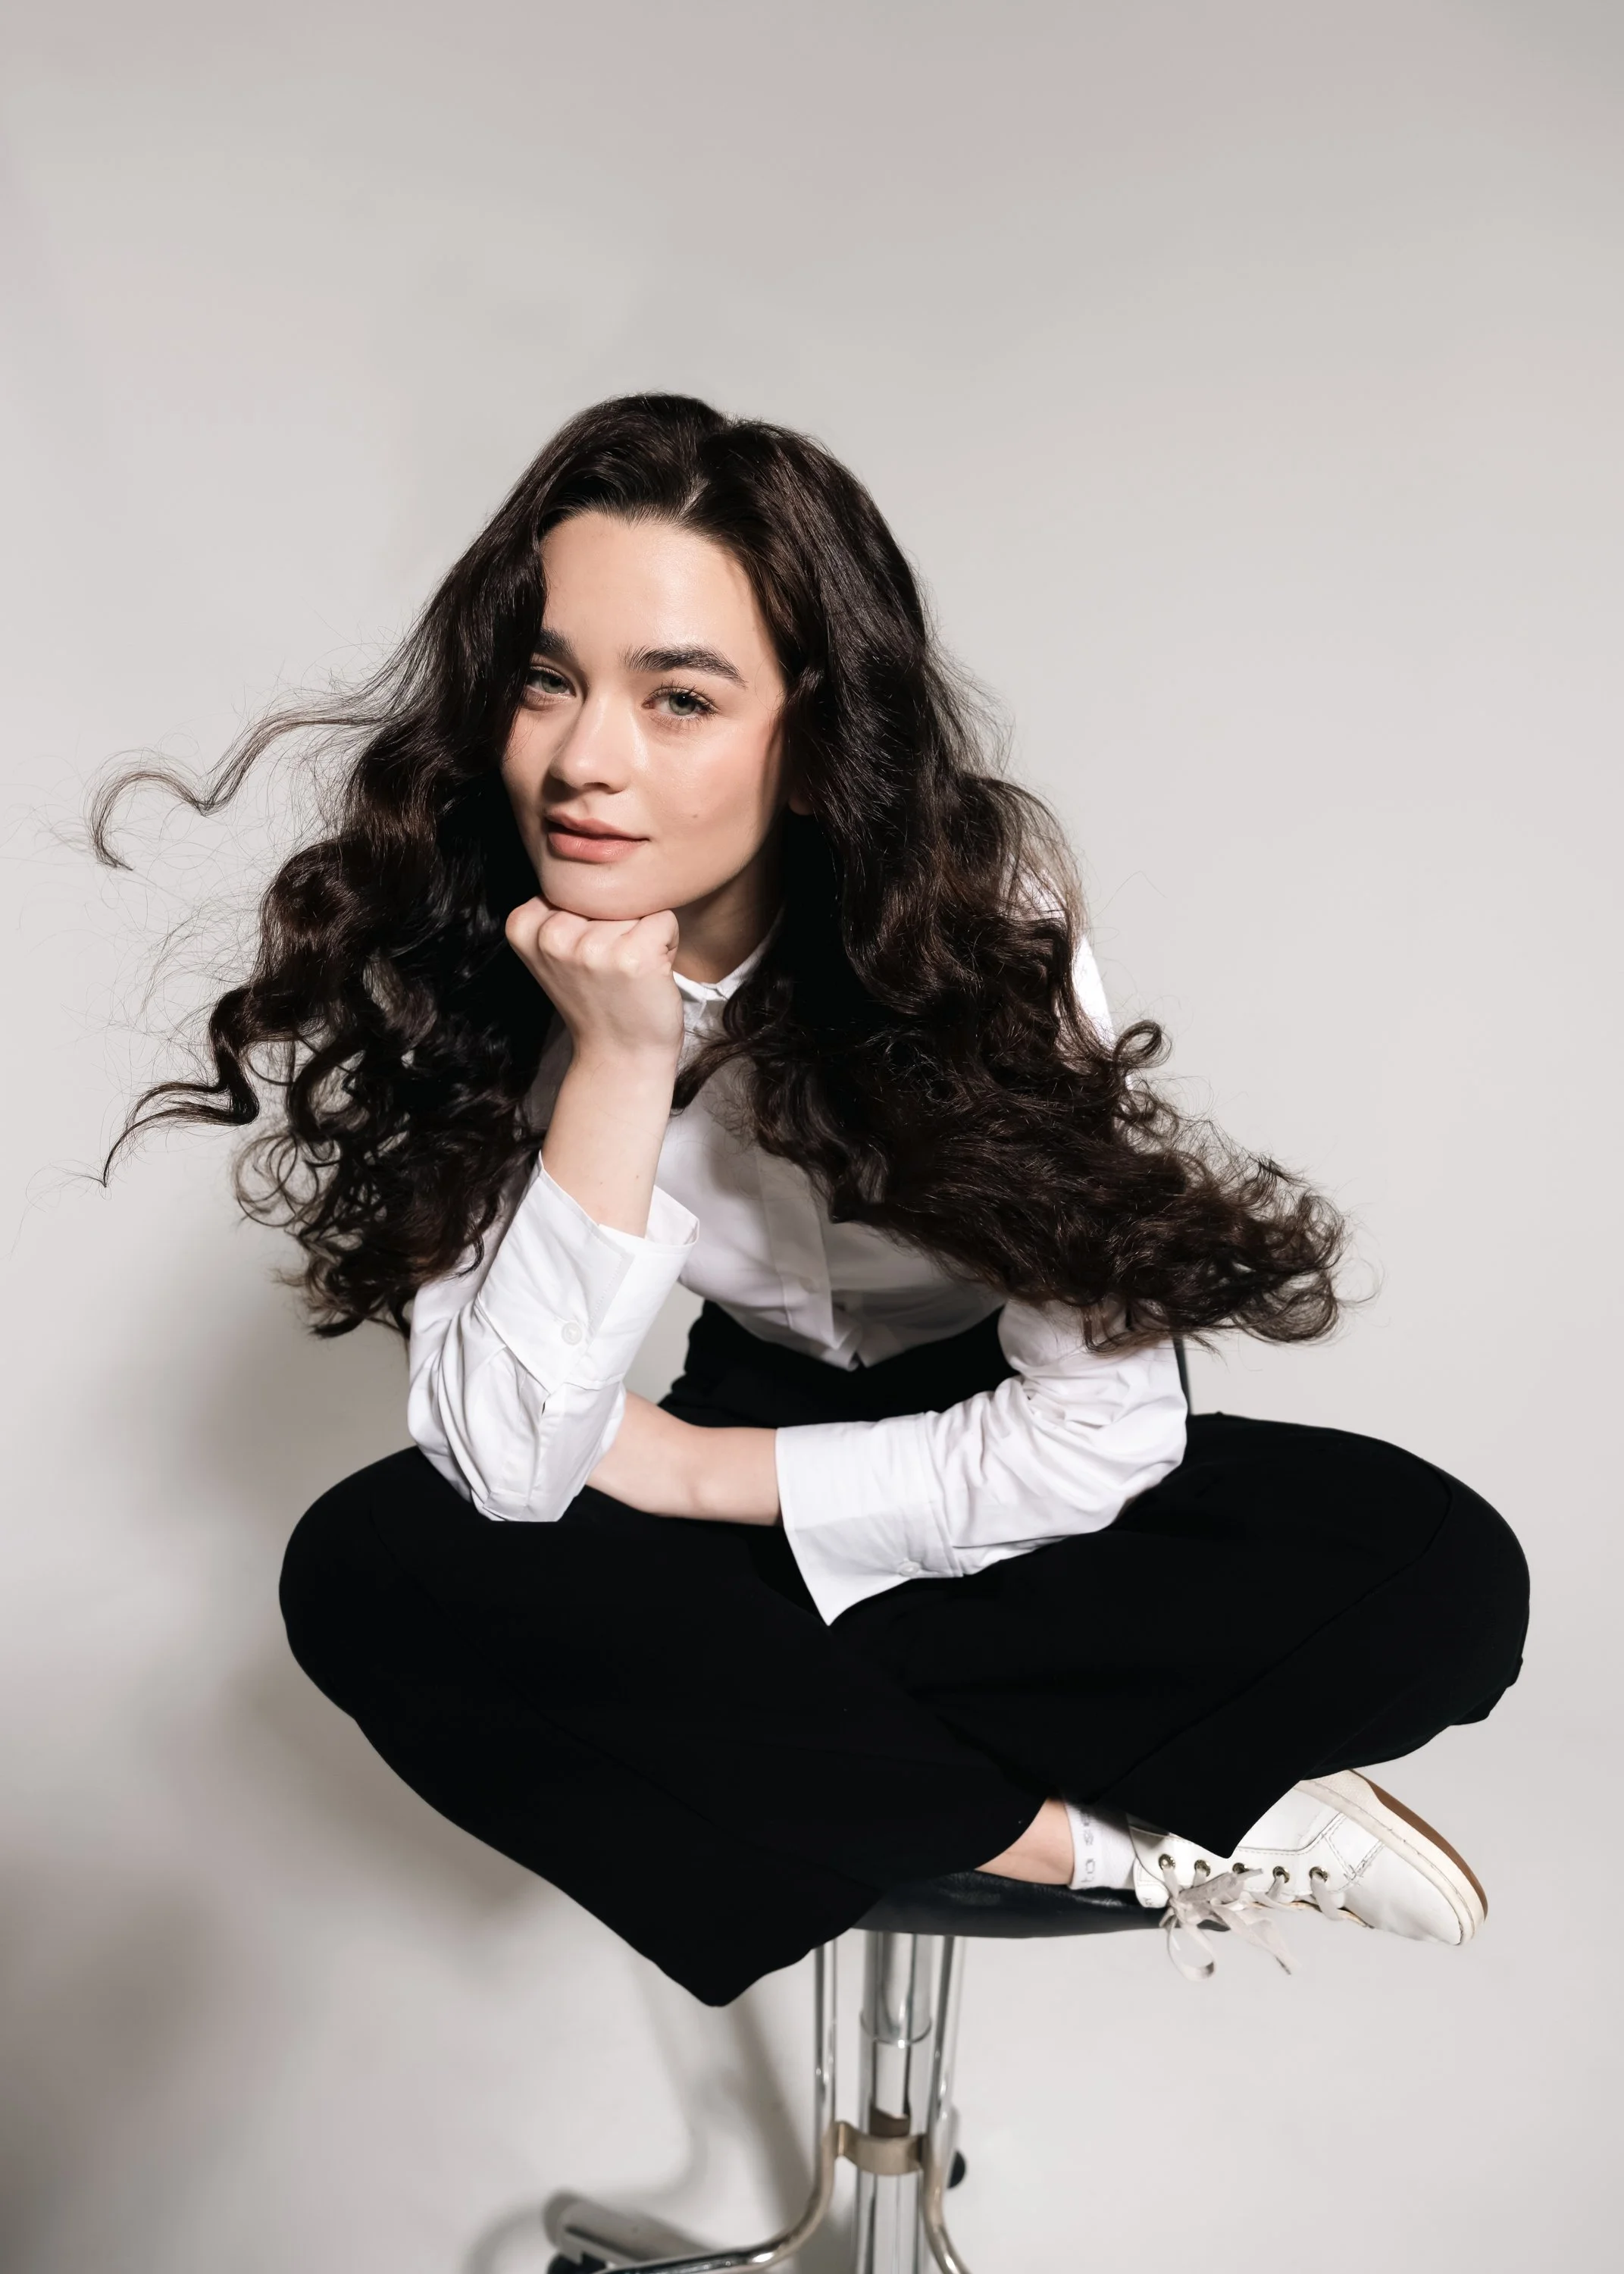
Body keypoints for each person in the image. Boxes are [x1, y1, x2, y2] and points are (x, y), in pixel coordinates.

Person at [99, 395, 1528, 2006]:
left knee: (1437, 1578)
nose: (585, 760)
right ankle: (1137, 1842)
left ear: (808, 732)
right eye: (547, 679)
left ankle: (789, 1748)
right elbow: (506, 1466)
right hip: (756, 1493)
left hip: (987, 1470)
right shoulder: (484, 935)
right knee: (372, 1568)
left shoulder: (975, 921)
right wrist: (620, 1064)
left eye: (682, 698)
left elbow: (1102, 1440)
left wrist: (699, 1471)